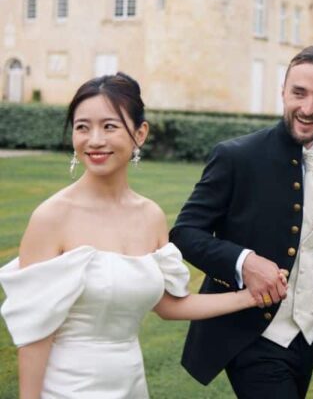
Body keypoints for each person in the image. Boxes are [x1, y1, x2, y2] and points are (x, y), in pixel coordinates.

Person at [0, 72, 285, 399]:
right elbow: (35, 334)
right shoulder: (50, 218)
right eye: (82, 127)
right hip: (66, 387)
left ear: (140, 133)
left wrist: (250, 296)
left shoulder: (150, 217)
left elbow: (168, 305)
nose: (94, 140)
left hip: (131, 383)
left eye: (109, 126)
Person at [171, 45, 313, 398]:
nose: (308, 108)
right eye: (299, 93)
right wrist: (244, 261)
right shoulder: (236, 156)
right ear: (283, 91)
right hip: (251, 335)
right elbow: (185, 233)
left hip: (308, 337)